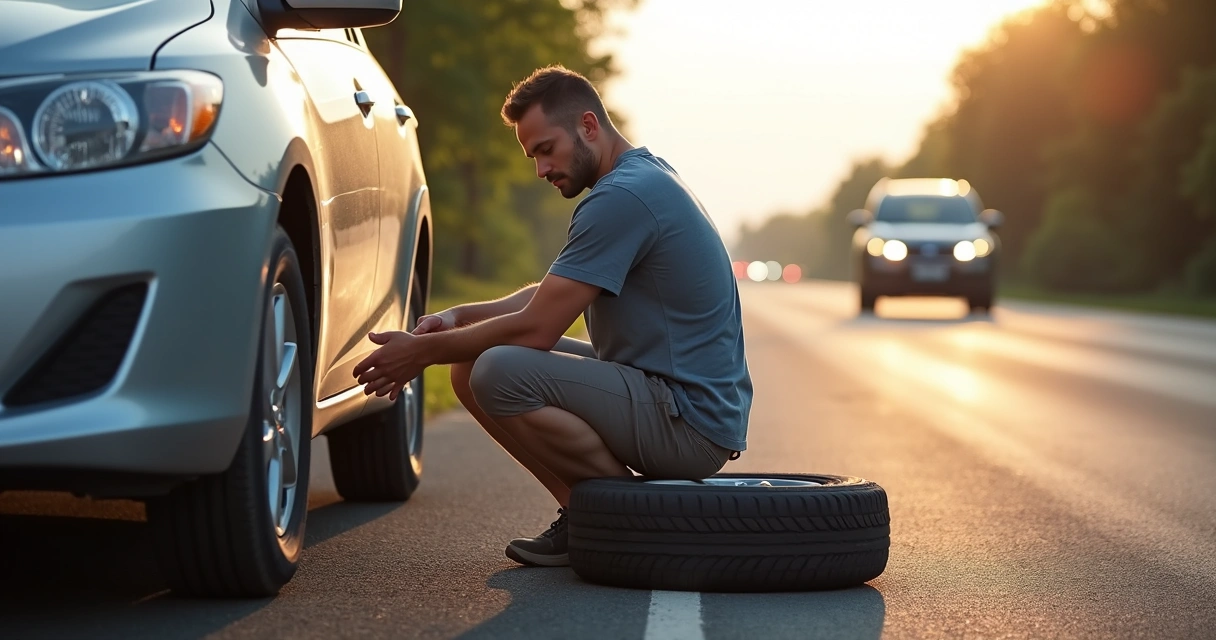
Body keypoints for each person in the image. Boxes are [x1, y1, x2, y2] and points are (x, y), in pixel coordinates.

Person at [353, 65, 752, 567]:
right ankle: (586, 514)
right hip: (663, 397)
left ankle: (623, 519)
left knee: (497, 368)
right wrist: (458, 319)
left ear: (588, 126)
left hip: (687, 421)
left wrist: (420, 353)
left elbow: (540, 328)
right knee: (471, 362)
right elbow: (549, 296)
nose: (540, 170)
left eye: (546, 149)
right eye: (532, 156)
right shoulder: (639, 178)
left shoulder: (622, 197)